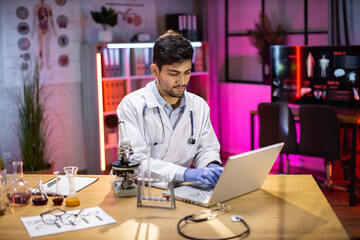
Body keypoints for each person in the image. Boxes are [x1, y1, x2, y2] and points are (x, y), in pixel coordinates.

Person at [116, 30, 223, 187]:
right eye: (174, 73)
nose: (182, 81)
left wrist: (211, 166)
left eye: (187, 72)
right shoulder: (132, 105)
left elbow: (205, 149)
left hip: (180, 189)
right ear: (155, 71)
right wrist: (186, 173)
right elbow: (135, 162)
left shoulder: (199, 106)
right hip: (138, 189)